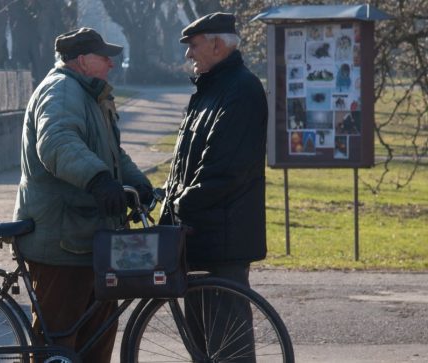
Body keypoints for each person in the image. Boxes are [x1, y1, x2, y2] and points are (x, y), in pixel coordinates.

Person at [13, 27, 152, 362]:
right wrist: (99, 181)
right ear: (81, 60)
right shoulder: (62, 92)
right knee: (57, 344)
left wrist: (139, 185)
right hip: (62, 241)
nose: (111, 64)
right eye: (105, 57)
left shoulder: (90, 95)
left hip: (89, 238)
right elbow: (58, 144)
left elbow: (112, 154)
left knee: (96, 338)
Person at [160, 12, 268, 361]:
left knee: (228, 349)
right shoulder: (211, 90)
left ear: (217, 45)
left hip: (223, 240)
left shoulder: (241, 90)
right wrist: (167, 200)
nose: (188, 55)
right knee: (204, 347)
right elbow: (185, 164)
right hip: (199, 237)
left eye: (193, 46)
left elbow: (223, 170)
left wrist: (179, 205)